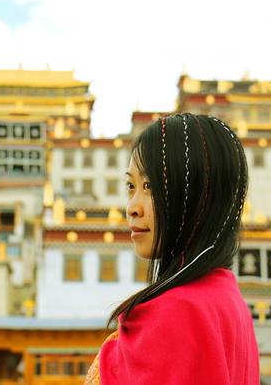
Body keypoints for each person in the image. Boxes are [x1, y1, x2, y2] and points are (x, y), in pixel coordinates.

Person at [85, 114, 260, 384]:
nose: (132, 207)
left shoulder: (175, 313)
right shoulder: (228, 300)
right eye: (131, 186)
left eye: (150, 187)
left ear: (195, 196)